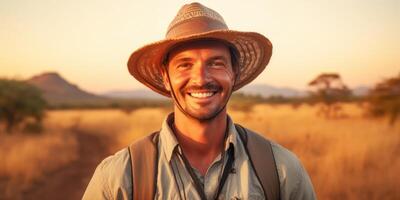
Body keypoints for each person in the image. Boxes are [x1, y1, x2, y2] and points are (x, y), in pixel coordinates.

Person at [83, 2, 316, 200]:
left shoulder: (281, 170)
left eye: (216, 63)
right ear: (166, 77)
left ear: (233, 73)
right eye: (185, 64)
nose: (201, 79)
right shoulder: (120, 177)